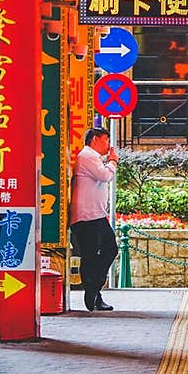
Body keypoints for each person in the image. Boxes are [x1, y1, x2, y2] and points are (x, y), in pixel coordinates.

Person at [70, 126, 119, 312]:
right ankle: (93, 293)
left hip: (96, 215)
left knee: (109, 250)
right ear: (96, 139)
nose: (108, 144)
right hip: (86, 216)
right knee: (91, 256)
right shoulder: (87, 156)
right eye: (106, 140)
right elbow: (105, 175)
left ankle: (94, 290)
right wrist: (113, 161)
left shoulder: (94, 158)